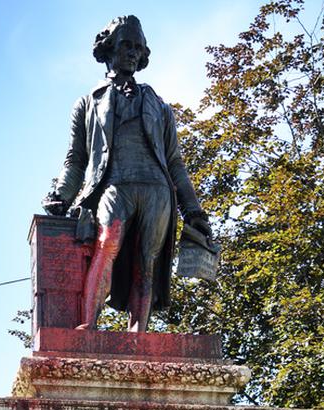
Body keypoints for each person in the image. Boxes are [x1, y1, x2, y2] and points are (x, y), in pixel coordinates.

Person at [42, 15, 212, 332]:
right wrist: (61, 195)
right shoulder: (87, 103)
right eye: (126, 45)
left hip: (157, 190)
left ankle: (139, 332)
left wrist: (193, 209)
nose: (133, 52)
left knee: (146, 261)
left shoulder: (160, 106)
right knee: (106, 245)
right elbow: (76, 158)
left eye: (138, 47)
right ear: (108, 49)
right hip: (113, 187)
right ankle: (88, 326)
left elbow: (175, 161)